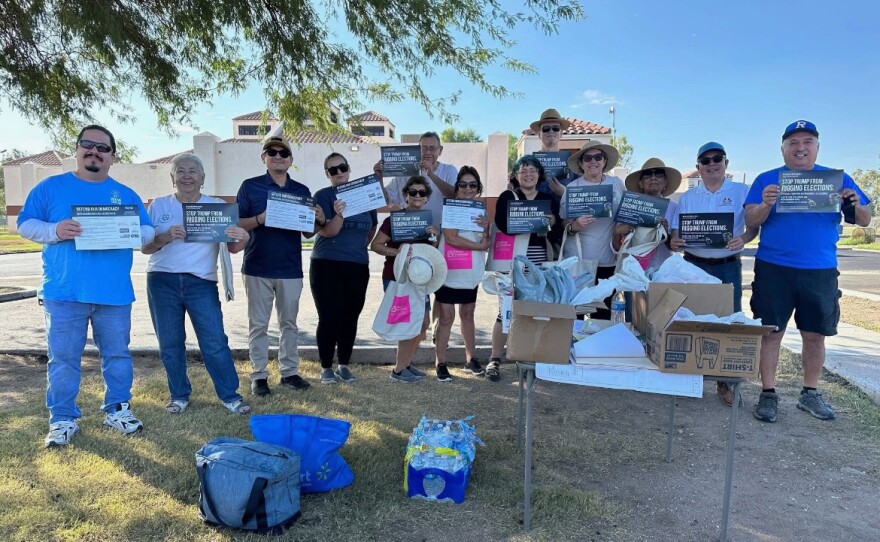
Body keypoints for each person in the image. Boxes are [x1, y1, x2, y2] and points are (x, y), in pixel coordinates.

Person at [17, 125, 155, 447]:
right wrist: (55, 230)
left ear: (112, 156)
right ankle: (63, 419)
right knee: (63, 358)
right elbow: (25, 224)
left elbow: (147, 233)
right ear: (77, 150)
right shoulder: (51, 188)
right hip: (64, 292)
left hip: (113, 293)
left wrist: (132, 232)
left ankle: (117, 409)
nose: (94, 151)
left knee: (117, 355)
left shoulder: (126, 194)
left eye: (102, 148)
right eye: (87, 145)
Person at [745, 120, 872, 423]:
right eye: (793, 142)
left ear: (816, 147)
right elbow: (751, 220)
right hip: (774, 268)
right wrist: (765, 204)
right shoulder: (767, 179)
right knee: (770, 334)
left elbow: (865, 219)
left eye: (807, 141)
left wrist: (855, 203)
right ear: (783, 148)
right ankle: (768, 393)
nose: (800, 147)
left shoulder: (837, 180)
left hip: (819, 270)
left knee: (815, 336)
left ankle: (810, 392)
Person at [142, 153, 252, 415]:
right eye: (181, 171)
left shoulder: (215, 206)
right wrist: (164, 237)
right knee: (170, 342)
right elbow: (145, 248)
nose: (187, 176)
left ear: (202, 178)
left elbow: (234, 247)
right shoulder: (158, 205)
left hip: (201, 282)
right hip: (161, 281)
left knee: (214, 341)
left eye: (193, 171)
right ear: (172, 177)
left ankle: (230, 396)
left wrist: (244, 237)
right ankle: (178, 395)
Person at [670, 143, 759, 406]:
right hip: (694, 264)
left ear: (725, 163)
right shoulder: (687, 197)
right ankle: (689, 378)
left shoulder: (743, 191)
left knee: (727, 321)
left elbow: (753, 228)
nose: (711, 164)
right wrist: (675, 241)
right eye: (705, 161)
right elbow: (677, 231)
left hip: (727, 265)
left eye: (716, 159)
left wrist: (743, 238)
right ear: (698, 167)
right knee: (690, 319)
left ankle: (725, 382)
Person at [236, 136, 326, 397]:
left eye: (283, 152)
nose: (278, 156)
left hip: (289, 268)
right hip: (257, 266)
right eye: (271, 152)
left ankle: (289, 372)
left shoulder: (301, 191)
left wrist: (319, 220)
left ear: (290, 160)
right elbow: (238, 224)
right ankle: (259, 375)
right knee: (258, 325)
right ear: (263, 157)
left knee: (289, 324)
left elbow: (309, 232)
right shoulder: (250, 187)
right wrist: (260, 218)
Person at [487, 155, 560, 381]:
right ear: (516, 175)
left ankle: (529, 358)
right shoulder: (508, 196)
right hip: (511, 259)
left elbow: (556, 234)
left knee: (535, 309)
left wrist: (553, 222)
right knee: (506, 309)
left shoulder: (548, 199)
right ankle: (495, 358)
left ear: (539, 175)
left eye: (532, 170)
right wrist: (531, 220)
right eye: (523, 170)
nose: (528, 174)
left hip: (539, 259)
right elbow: (503, 224)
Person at [310, 152, 378, 385]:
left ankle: (344, 364)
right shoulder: (324, 196)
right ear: (327, 174)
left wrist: (358, 248)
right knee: (329, 316)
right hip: (326, 264)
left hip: (358, 265)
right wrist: (339, 213)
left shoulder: (365, 195)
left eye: (342, 167)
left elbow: (371, 228)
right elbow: (328, 232)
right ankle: (326, 366)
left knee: (351, 316)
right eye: (333, 170)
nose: (339, 173)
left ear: (348, 169)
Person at [370, 176, 440, 382]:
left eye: (422, 193)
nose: (417, 196)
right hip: (397, 278)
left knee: (423, 322)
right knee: (407, 323)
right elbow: (376, 245)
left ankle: (405, 365)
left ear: (427, 198)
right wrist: (396, 251)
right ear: (406, 196)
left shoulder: (429, 222)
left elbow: (432, 253)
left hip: (420, 279)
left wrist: (435, 237)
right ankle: (399, 371)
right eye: (413, 192)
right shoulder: (393, 220)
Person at [433, 166, 491, 382]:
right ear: (457, 187)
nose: (468, 188)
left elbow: (484, 240)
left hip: (471, 272)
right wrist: (480, 247)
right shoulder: (451, 208)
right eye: (464, 184)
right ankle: (440, 362)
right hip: (449, 270)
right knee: (446, 317)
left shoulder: (480, 209)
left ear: (478, 188)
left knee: (468, 314)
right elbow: (451, 238)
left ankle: (470, 359)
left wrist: (487, 228)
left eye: (473, 184)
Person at [560, 141, 625, 319]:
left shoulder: (617, 184)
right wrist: (575, 226)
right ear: (581, 164)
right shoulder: (572, 188)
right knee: (577, 314)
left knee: (603, 315)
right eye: (587, 158)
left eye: (598, 157)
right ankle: (574, 347)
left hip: (608, 260)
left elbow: (627, 213)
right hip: (578, 261)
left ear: (604, 161)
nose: (593, 161)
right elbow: (563, 222)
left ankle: (597, 348)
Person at [374, 131, 457, 228]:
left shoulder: (449, 170)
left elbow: (455, 196)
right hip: (411, 233)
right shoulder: (405, 172)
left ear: (440, 150)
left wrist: (430, 174)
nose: (428, 152)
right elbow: (385, 200)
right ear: (418, 150)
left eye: (432, 148)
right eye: (424, 148)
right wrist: (379, 178)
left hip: (440, 233)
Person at [615, 158, 682, 272]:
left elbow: (676, 247)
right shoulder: (629, 206)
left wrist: (665, 235)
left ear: (665, 182)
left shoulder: (675, 207)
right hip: (633, 270)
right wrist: (616, 233)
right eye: (647, 175)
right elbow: (617, 247)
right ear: (640, 183)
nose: (653, 177)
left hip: (663, 271)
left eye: (659, 175)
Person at [529, 108, 575, 198]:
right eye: (546, 129)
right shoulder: (529, 163)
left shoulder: (572, 163)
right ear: (539, 134)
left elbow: (580, 195)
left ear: (561, 133)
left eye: (555, 128)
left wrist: (565, 194)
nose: (551, 131)